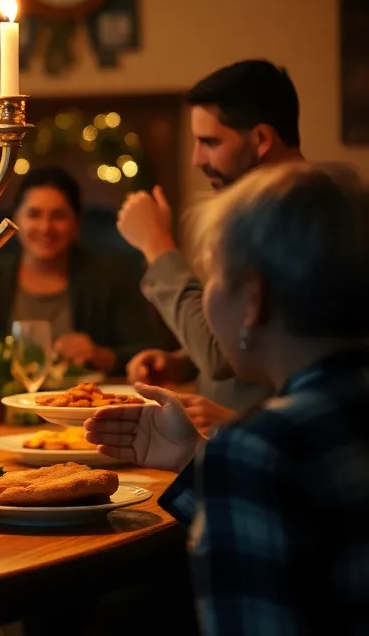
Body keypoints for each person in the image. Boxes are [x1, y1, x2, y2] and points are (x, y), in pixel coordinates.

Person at [86, 163, 369, 633]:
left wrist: (225, 458)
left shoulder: (260, 447)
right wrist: (194, 456)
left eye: (212, 273)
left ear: (253, 299)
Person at [117, 60, 304, 422]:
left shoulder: (297, 216)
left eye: (210, 141)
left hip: (270, 454)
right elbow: (255, 336)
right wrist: (183, 364)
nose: (196, 159)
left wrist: (156, 245)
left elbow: (221, 356)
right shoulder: (256, 210)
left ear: (262, 139)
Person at [0, 166, 166, 373]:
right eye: (34, 214)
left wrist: (101, 355)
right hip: (5, 410)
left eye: (58, 216)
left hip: (86, 406)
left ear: (76, 223)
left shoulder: (112, 275)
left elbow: (152, 353)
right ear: (15, 219)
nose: (45, 227)